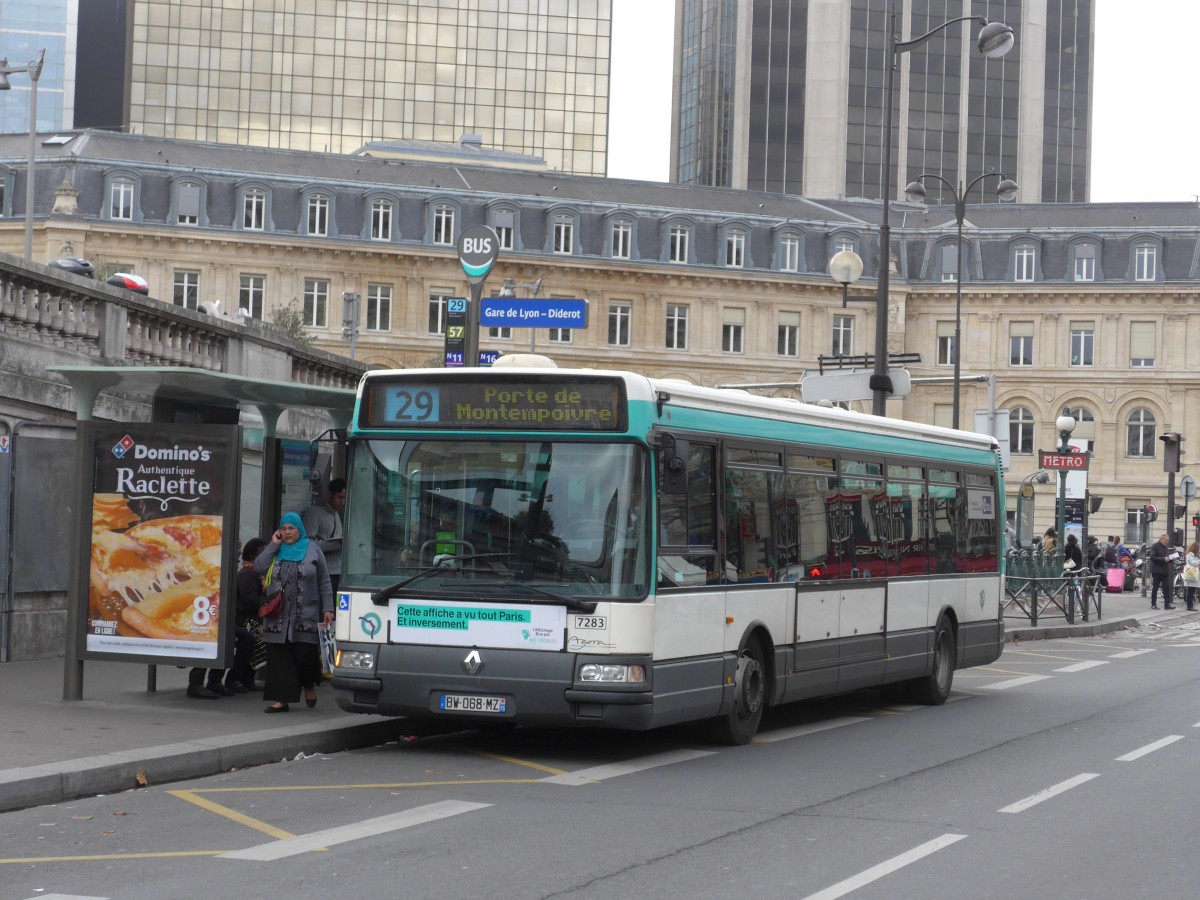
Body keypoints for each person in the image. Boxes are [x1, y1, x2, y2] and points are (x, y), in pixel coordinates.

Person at [254, 512, 334, 713]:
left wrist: (328, 609)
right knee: (280, 658)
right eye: (284, 528)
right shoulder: (276, 550)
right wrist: (273, 544)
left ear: (300, 529)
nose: (288, 532)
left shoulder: (313, 550)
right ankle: (282, 699)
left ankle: (308, 684)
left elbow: (324, 581)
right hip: (277, 616)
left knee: (303, 656)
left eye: (292, 528)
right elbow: (259, 566)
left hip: (305, 613)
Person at [227, 536, 268, 692]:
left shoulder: (256, 572)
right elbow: (250, 601)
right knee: (255, 638)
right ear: (253, 556)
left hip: (251, 618)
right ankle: (236, 678)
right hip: (245, 619)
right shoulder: (247, 574)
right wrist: (268, 602)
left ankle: (246, 678)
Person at [303, 477, 345, 594]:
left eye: (344, 498)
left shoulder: (335, 513)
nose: (342, 502)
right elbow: (308, 544)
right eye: (340, 497)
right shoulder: (314, 512)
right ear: (330, 494)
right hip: (324, 572)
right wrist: (334, 545)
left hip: (338, 571)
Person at [1147, 532, 1176, 610]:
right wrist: (1163, 559)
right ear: (1161, 540)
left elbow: (1167, 559)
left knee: (1167, 587)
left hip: (1165, 571)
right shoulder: (1154, 546)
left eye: (1168, 540)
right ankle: (1153, 604)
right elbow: (1152, 557)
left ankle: (1167, 604)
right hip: (1156, 570)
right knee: (1155, 587)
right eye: (1166, 540)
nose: (1168, 542)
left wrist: (1171, 559)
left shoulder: (1166, 547)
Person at [1185, 542, 1200, 612]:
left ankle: (1190, 605)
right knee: (1191, 590)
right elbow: (1194, 563)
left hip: (1193, 574)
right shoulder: (1190, 555)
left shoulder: (1194, 555)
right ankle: (1189, 606)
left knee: (1191, 590)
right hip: (1191, 574)